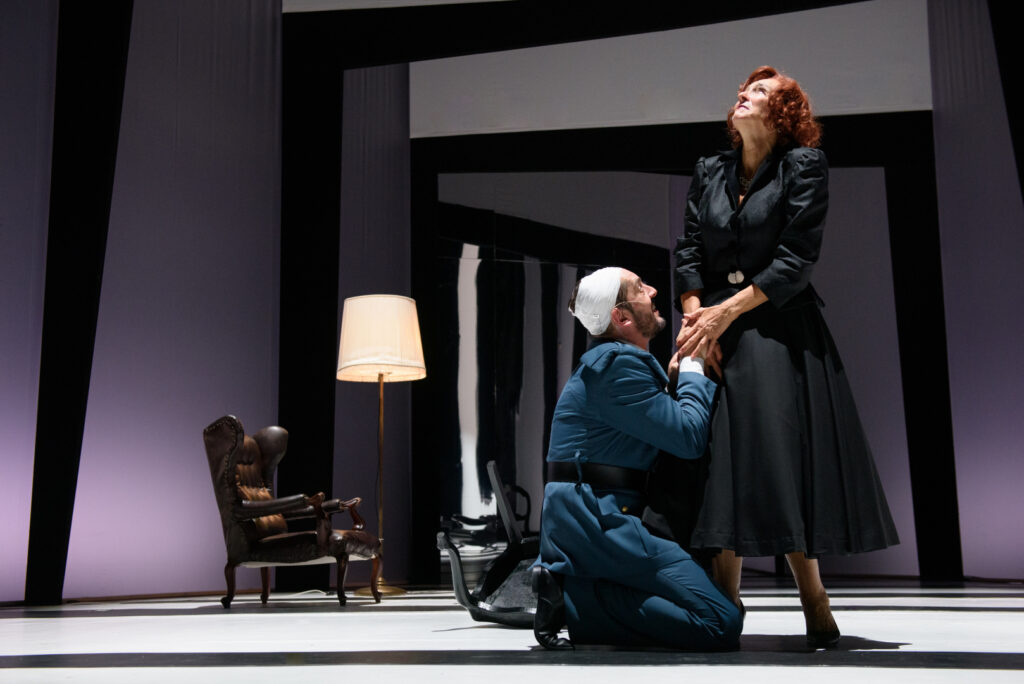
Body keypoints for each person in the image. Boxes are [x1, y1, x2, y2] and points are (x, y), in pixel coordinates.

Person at [674, 66, 899, 648]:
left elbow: (796, 260)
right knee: (719, 460)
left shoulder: (803, 166)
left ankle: (812, 596)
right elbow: (690, 249)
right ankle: (725, 602)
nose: (743, 95)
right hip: (714, 327)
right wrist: (698, 320)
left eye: (759, 91)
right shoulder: (711, 169)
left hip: (776, 325)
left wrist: (724, 314)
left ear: (784, 113)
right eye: (742, 89)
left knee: (778, 461)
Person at [532, 266, 742, 651]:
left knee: (710, 611)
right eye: (641, 288)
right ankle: (574, 601)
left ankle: (575, 591)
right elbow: (688, 437)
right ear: (622, 317)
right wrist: (694, 363)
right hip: (599, 521)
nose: (654, 290)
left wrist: (673, 380)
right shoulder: (618, 366)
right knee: (720, 622)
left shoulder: (612, 362)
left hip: (598, 514)